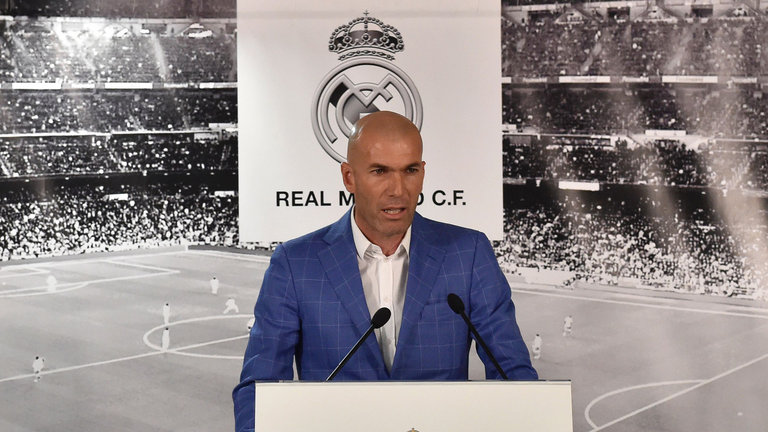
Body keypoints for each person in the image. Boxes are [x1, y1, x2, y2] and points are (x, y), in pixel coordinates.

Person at [233, 111, 537, 432]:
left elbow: (513, 372)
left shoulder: (468, 253)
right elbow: (259, 389)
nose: (398, 189)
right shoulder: (295, 263)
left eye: (410, 170)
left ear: (423, 173)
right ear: (349, 178)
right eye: (380, 171)